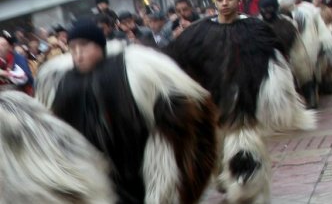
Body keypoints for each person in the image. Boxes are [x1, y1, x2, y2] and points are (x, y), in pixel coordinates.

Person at [167, 0, 316, 203]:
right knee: (218, 161)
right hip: (214, 107)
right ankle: (233, 186)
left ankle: (249, 195)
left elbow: (276, 58)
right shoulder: (197, 33)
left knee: (246, 161)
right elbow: (175, 62)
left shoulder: (256, 29)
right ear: (215, 2)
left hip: (246, 106)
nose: (225, 3)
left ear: (239, 2)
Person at [35, 19, 218, 203]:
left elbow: (182, 103)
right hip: (100, 171)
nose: (78, 54)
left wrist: (165, 148)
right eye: (72, 48)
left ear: (99, 45)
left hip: (138, 162)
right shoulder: (62, 85)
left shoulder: (135, 68)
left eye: (84, 46)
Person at [0, 30, 33, 95]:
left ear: (10, 48)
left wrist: (4, 73)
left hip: (22, 97)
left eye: (3, 45)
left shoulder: (18, 58)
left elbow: (23, 77)